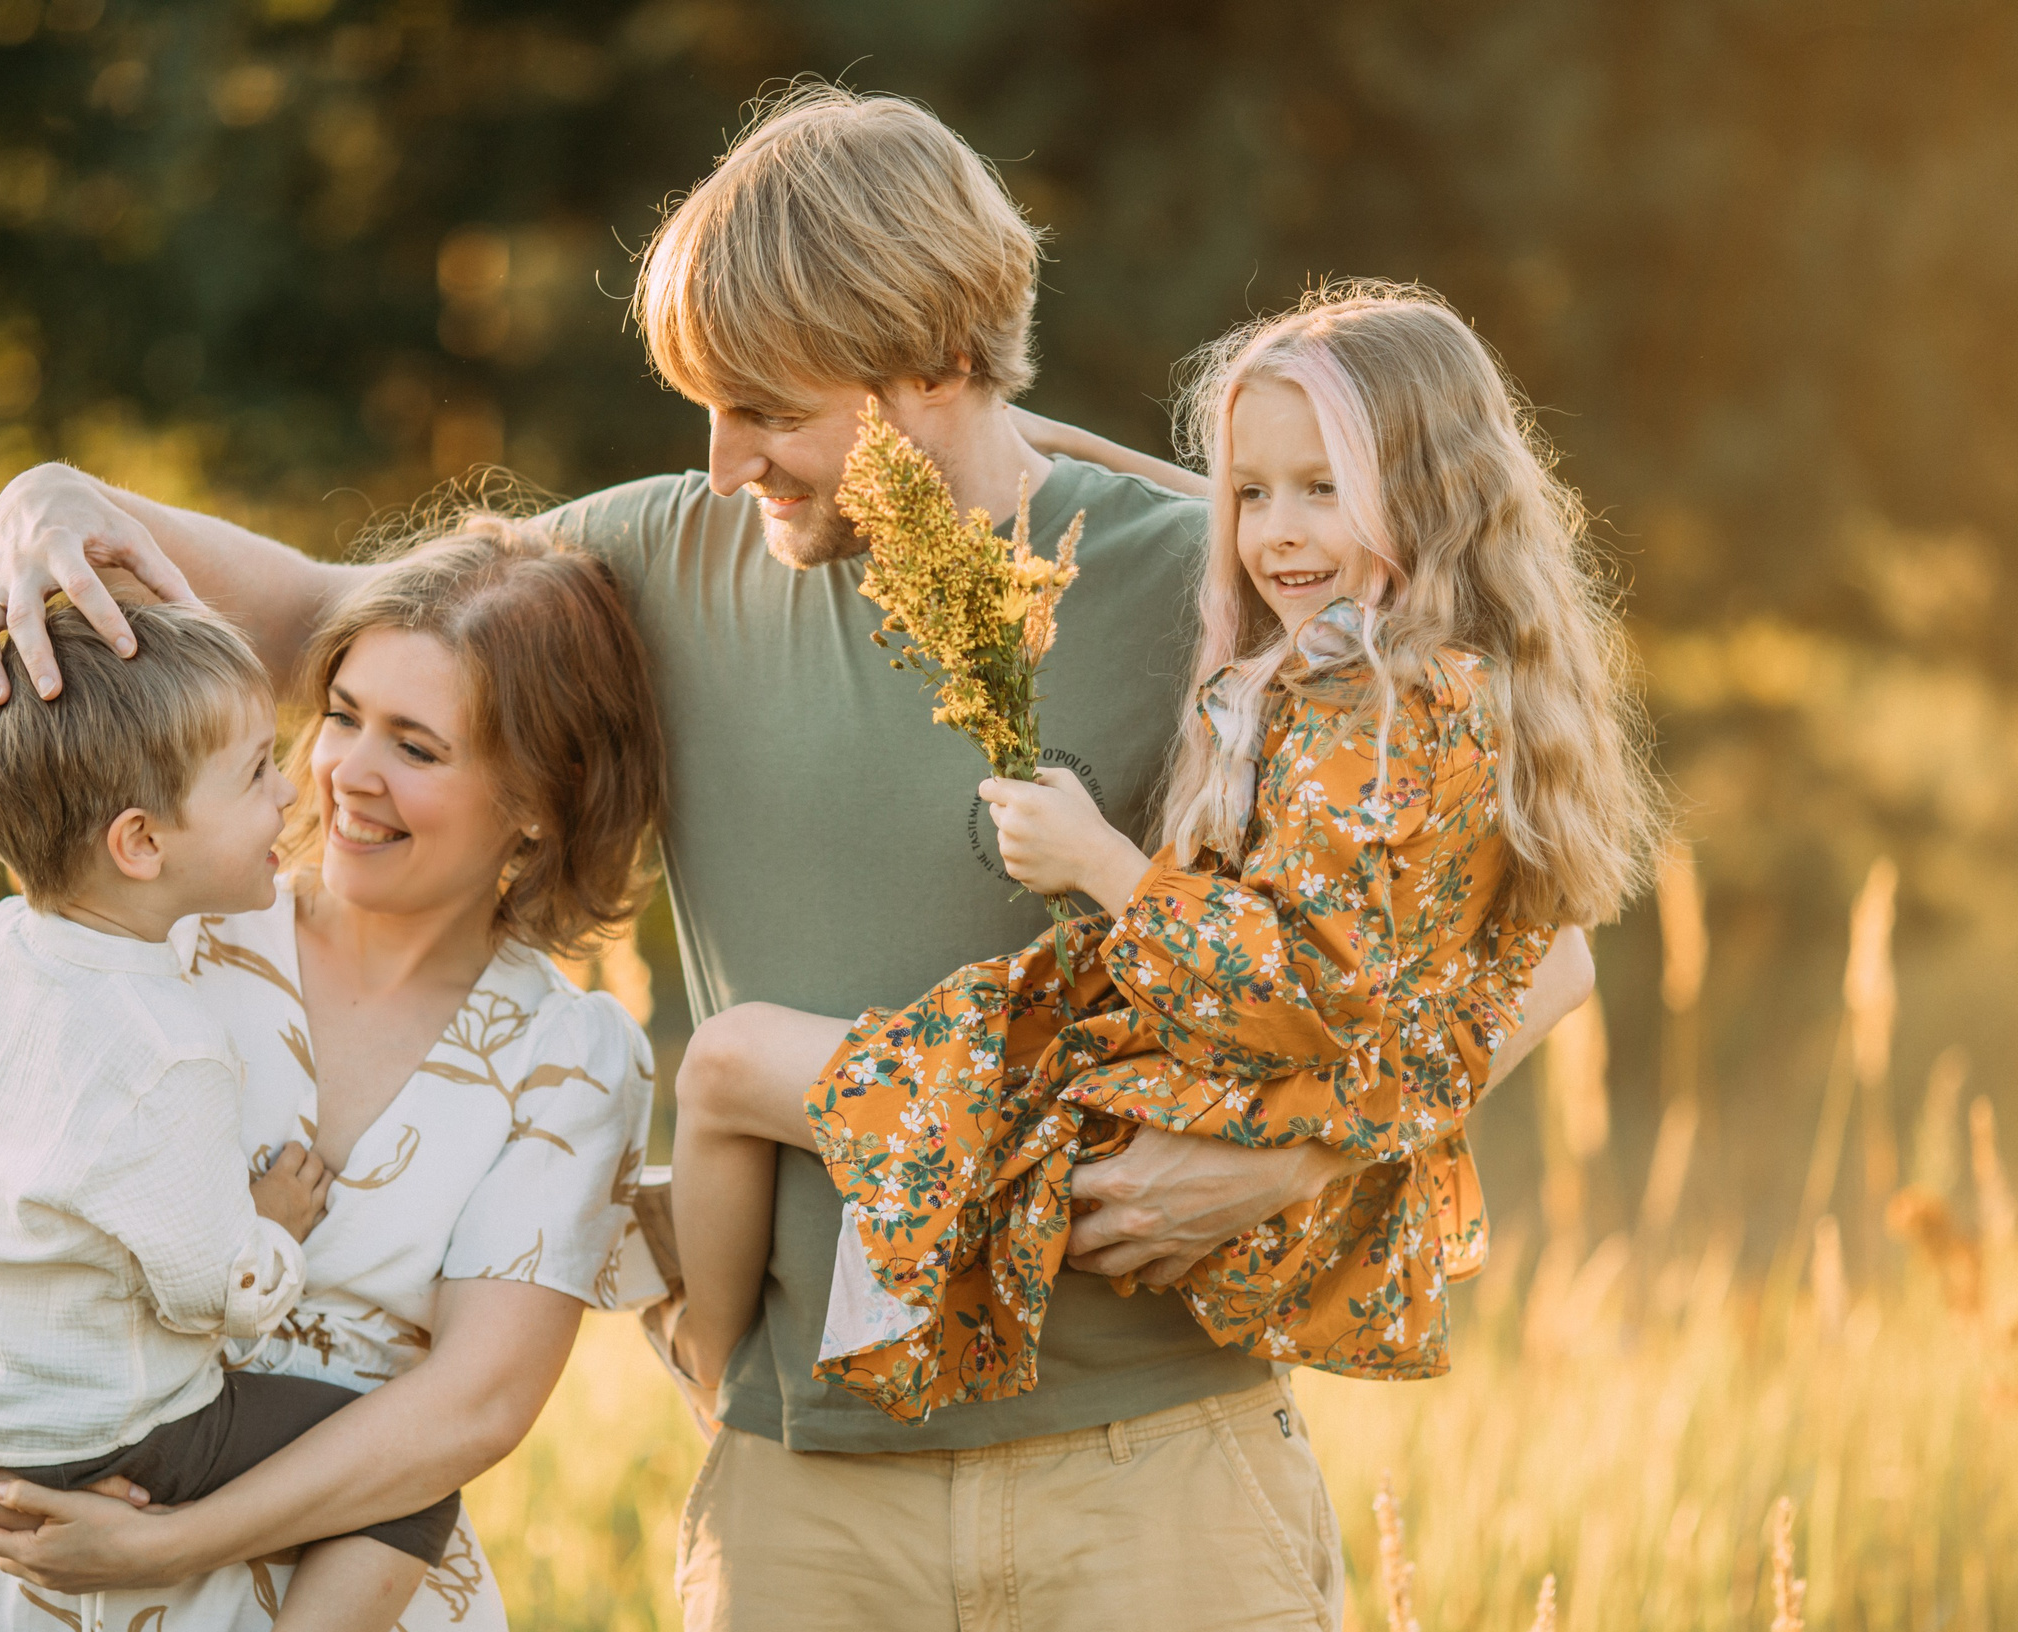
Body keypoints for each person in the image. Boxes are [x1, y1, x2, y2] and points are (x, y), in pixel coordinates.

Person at [0, 84, 1594, 1632]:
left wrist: (1286, 1154)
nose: (722, 462)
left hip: (1159, 1471)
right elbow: (330, 619)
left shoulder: (1211, 575)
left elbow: (1543, 954)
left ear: (932, 362)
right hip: (809, 1502)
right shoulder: (670, 562)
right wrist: (53, 509)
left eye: (765, 409)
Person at [666, 281, 1662, 1429]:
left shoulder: (1367, 711)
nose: (1273, 530)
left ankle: (702, 1360)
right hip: (1183, 1070)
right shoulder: (1434, 668)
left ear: (1427, 497)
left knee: (726, 1066)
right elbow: (1263, 524)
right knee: (775, 1088)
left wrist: (1104, 867)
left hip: (1162, 1097)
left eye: (1320, 488)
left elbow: (1311, 985)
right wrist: (1059, 442)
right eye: (1251, 492)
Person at [0, 518, 668, 1632]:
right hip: (20, 1609)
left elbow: (474, 1405)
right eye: (340, 714)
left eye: (418, 747)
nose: (345, 773)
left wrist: (172, 1543)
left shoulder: (571, 1060)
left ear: (540, 799)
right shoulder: (152, 912)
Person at [0, 601, 469, 1632]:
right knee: (409, 1484)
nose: (293, 793)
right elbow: (208, 1294)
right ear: (141, 844)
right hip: (108, 1428)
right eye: (256, 774)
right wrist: (273, 1226)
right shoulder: (171, 1054)